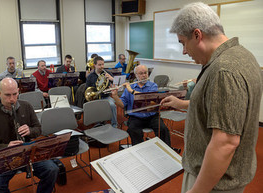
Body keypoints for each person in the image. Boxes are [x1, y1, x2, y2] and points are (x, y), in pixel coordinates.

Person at [160, 2, 262, 193]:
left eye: (183, 43)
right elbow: (220, 107)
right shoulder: (242, 55)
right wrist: (182, 103)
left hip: (214, 182)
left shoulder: (224, 70)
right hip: (221, 175)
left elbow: (225, 143)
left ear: (197, 35)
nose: (183, 51)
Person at [0, 77, 59, 193]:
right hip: (4, 157)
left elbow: (38, 129)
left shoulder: (26, 106)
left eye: (15, 94)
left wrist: (30, 131)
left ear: (18, 91)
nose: (12, 99)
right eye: (7, 95)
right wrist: (7, 146)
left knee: (52, 169)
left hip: (27, 151)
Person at [111, 65, 170, 146]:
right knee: (133, 130)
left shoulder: (153, 85)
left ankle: (166, 149)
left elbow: (146, 98)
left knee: (163, 129)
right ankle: (140, 150)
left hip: (152, 116)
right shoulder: (130, 87)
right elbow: (122, 105)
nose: (144, 75)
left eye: (145, 73)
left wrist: (131, 91)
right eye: (141, 73)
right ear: (136, 75)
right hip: (136, 117)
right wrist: (115, 96)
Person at [85, 56, 117, 128]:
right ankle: (98, 123)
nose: (102, 66)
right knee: (96, 107)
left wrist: (112, 79)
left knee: (112, 105)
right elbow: (87, 89)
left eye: (103, 64)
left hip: (106, 96)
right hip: (96, 98)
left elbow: (116, 84)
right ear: (94, 65)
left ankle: (114, 125)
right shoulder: (90, 76)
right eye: (99, 65)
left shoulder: (107, 73)